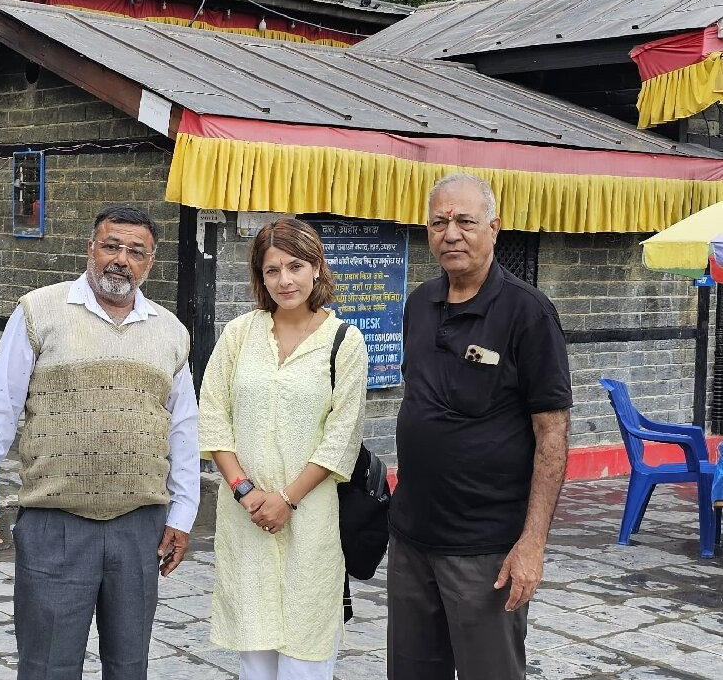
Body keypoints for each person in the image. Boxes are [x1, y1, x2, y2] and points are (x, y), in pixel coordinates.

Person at [0, 205, 200, 680]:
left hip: (140, 529)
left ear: (150, 263)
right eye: (111, 246)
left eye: (136, 251)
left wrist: (183, 514)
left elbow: (184, 430)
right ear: (90, 249)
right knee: (48, 666)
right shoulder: (39, 312)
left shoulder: (171, 332)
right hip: (56, 526)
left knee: (129, 665)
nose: (121, 260)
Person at [387, 173, 571, 680]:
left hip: (486, 550)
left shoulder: (526, 313)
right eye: (439, 222)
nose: (451, 234)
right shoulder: (420, 304)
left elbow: (551, 434)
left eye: (465, 221)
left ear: (494, 227)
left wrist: (532, 545)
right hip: (412, 538)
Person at [199, 217, 368, 680]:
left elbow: (342, 436)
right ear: (260, 277)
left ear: (317, 268)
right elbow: (214, 417)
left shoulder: (344, 342)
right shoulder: (238, 335)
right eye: (272, 270)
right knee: (255, 659)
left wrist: (287, 498)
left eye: (295, 266)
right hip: (246, 519)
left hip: (312, 518)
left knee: (306, 656)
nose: (285, 280)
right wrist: (245, 491)